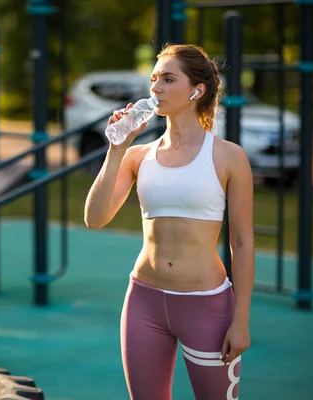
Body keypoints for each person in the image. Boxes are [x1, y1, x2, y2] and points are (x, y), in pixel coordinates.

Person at [84, 44, 254, 400]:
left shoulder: (229, 157)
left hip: (206, 305)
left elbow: (242, 242)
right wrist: (116, 150)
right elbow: (95, 218)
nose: (155, 88)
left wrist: (240, 322)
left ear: (197, 90)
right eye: (154, 79)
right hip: (144, 301)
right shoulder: (136, 155)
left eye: (168, 79)